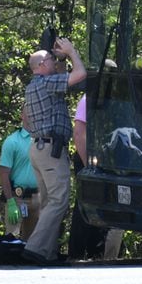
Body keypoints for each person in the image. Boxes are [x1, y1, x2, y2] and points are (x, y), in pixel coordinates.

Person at [21, 37, 86, 264]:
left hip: (39, 148)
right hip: (50, 150)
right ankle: (35, 248)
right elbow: (80, 75)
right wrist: (71, 51)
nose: (53, 61)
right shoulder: (46, 84)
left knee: (49, 201)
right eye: (49, 59)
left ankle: (46, 253)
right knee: (59, 200)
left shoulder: (34, 86)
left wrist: (59, 61)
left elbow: (25, 119)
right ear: (40, 66)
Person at [68, 93, 124, 260]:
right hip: (88, 158)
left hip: (106, 159)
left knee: (103, 205)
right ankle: (76, 254)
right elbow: (78, 134)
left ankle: (96, 253)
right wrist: (88, 166)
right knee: (83, 206)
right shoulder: (88, 99)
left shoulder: (116, 100)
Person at [0, 106, 39, 241]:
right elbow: (4, 173)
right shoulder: (12, 141)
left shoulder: (44, 140)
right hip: (17, 198)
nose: (32, 114)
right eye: (28, 111)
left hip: (38, 198)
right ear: (22, 115)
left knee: (33, 243)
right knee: (12, 239)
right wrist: (10, 201)